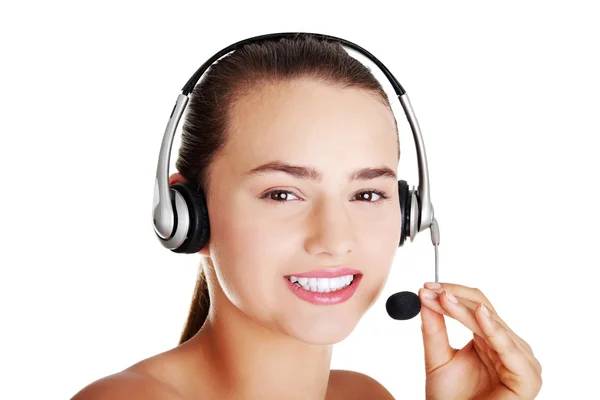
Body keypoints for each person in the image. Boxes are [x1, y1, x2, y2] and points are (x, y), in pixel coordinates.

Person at [71, 34, 542, 399]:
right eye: (282, 194)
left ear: (410, 215)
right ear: (186, 214)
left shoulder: (365, 395)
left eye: (367, 194)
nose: (334, 239)